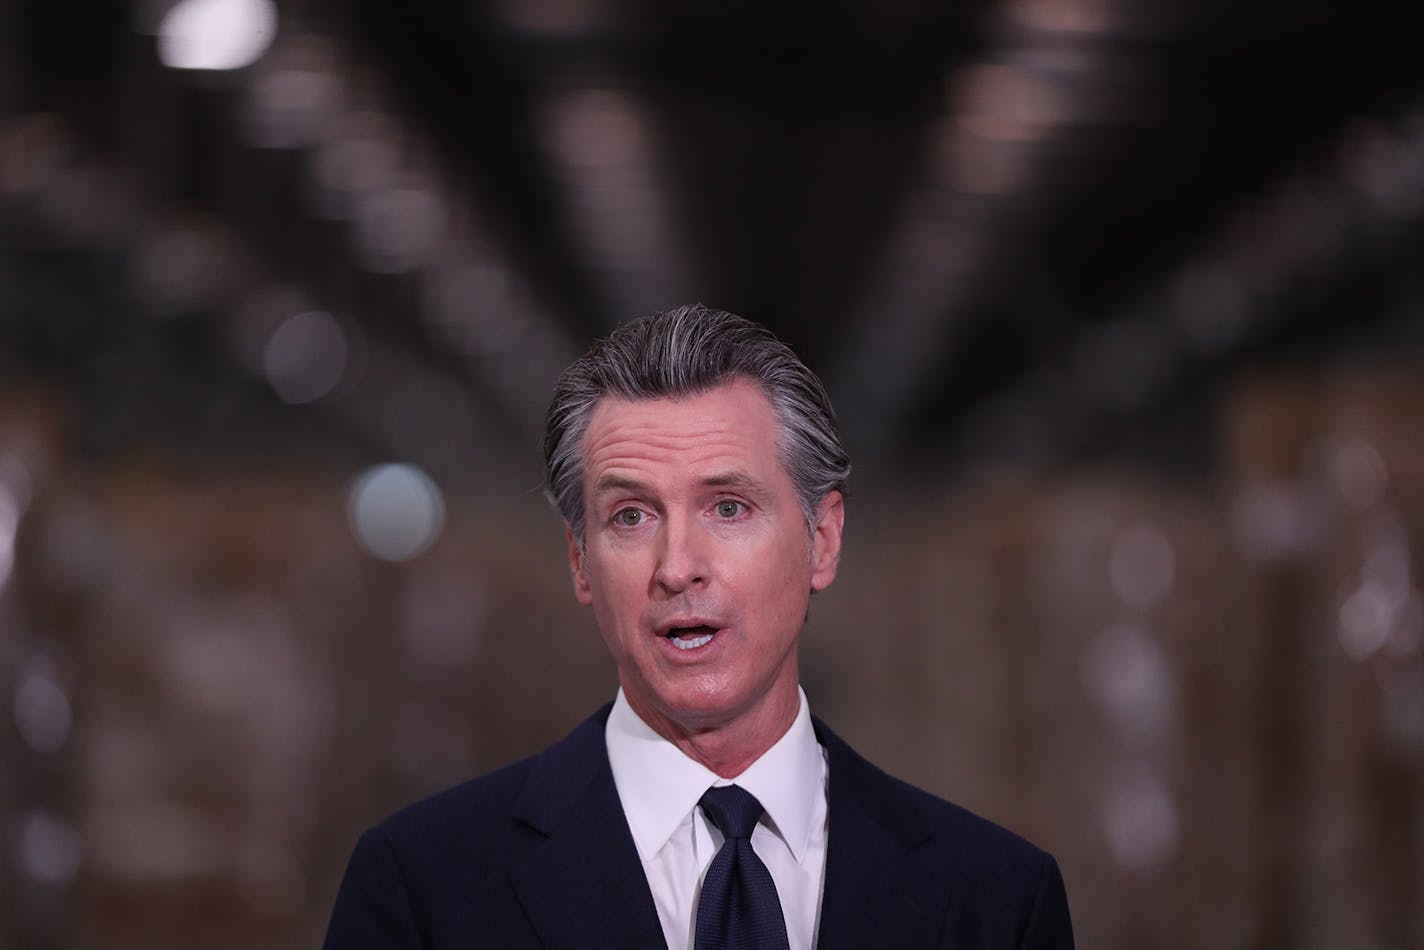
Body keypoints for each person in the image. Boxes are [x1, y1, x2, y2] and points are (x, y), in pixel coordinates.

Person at [323, 304, 1074, 949]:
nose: (677, 566)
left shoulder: (995, 900)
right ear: (581, 563)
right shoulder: (422, 889)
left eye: (728, 508)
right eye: (631, 516)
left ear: (823, 539)